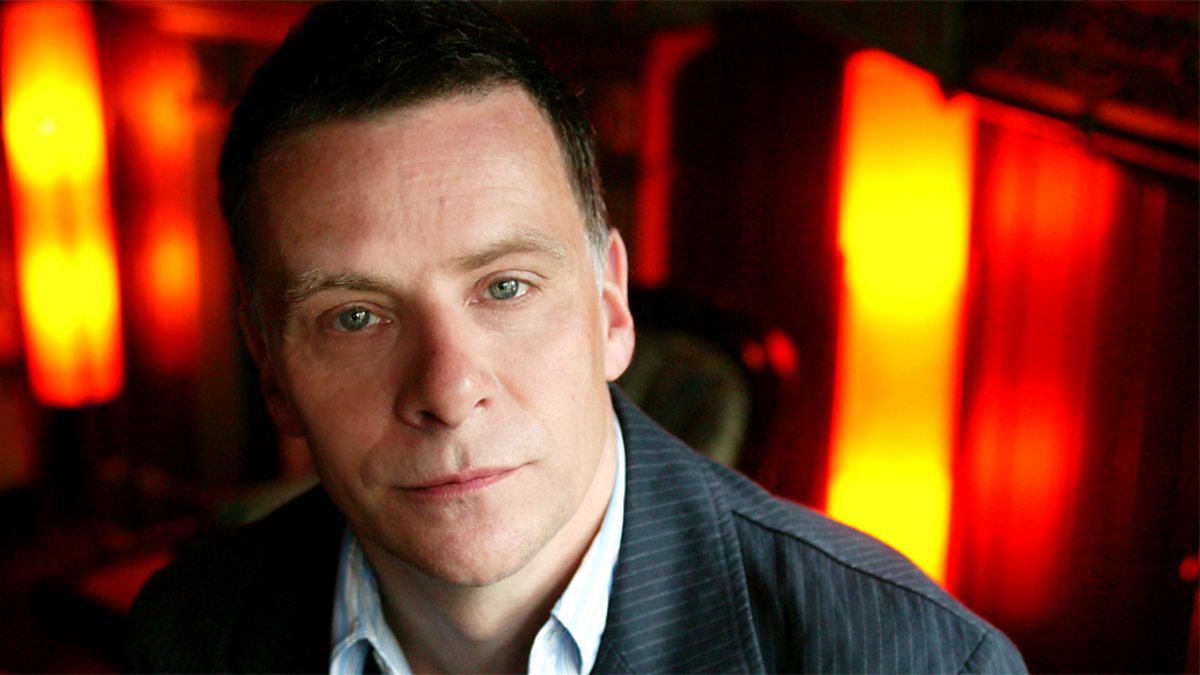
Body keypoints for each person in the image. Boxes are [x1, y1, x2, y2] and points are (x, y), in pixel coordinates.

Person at [126, 2, 1027, 673]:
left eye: (505, 287)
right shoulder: (187, 632)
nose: (449, 389)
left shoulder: (919, 659)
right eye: (355, 315)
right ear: (271, 369)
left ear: (610, 308)